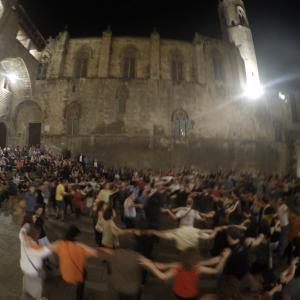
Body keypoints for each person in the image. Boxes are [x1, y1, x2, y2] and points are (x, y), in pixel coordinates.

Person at [139, 247, 231, 300]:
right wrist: (224, 258)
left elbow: (162, 273)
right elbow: (216, 271)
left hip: (178, 293)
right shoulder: (198, 268)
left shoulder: (178, 266)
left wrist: (150, 264)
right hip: (192, 294)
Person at [50, 226, 98, 300]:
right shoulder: (78, 247)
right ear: (75, 236)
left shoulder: (60, 243)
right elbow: (94, 252)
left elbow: (51, 247)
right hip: (75, 272)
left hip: (64, 271)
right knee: (83, 275)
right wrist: (80, 244)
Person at [19, 222, 51, 300]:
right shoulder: (34, 247)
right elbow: (47, 251)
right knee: (38, 285)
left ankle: (25, 290)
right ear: (35, 236)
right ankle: (39, 298)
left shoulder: (23, 237)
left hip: (23, 266)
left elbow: (21, 231)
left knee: (26, 277)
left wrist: (24, 227)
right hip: (33, 270)